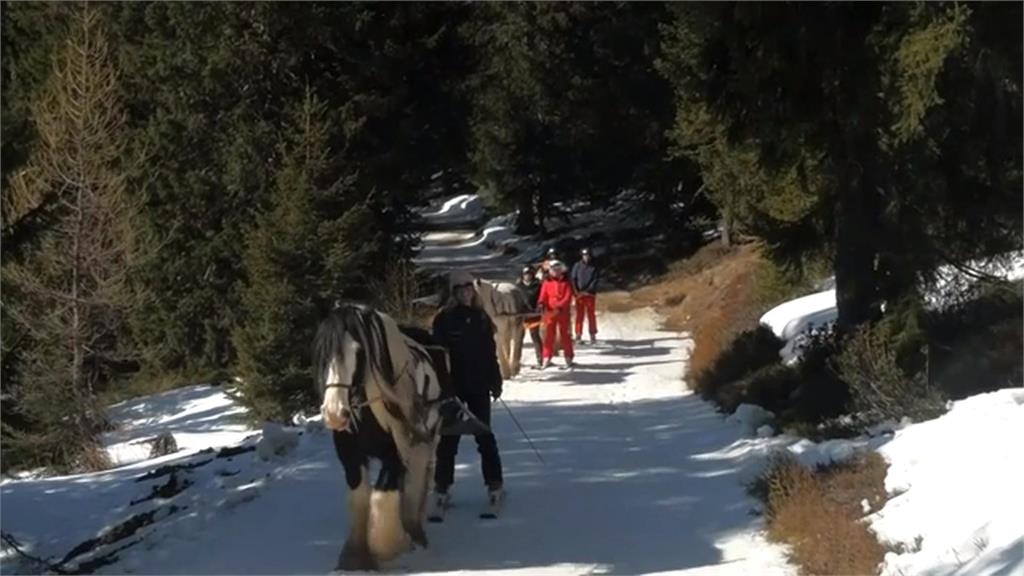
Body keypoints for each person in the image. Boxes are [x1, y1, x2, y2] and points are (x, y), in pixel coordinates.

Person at [431, 270, 504, 507]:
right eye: (460, 290)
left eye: (469, 289)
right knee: (449, 439)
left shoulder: (481, 317)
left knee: (484, 436)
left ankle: (494, 484)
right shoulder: (444, 319)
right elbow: (439, 357)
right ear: (453, 293)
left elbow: (489, 352)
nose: (465, 294)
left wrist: (496, 380)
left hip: (479, 385)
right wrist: (443, 386)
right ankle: (442, 486)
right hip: (454, 389)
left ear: (474, 291)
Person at [537, 260, 574, 368]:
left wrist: (560, 306)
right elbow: (543, 295)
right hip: (549, 312)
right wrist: (541, 303)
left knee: (565, 335)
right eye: (553, 270)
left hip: (563, 312)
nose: (556, 272)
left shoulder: (566, 282)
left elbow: (568, 296)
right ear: (550, 271)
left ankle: (568, 357)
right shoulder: (547, 282)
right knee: (548, 335)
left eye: (558, 270)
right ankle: (546, 357)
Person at [515, 265, 544, 367]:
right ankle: (516, 360)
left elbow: (542, 297)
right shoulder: (518, 286)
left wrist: (540, 306)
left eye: (529, 274)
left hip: (533, 314)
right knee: (519, 338)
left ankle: (540, 358)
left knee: (535, 336)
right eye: (525, 274)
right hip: (521, 315)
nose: (527, 276)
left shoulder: (538, 285)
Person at [571, 247, 600, 343]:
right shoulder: (577, 266)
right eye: (584, 255)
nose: (586, 257)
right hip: (579, 294)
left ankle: (592, 334)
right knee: (579, 314)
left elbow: (595, 280)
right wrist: (576, 291)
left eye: (587, 255)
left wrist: (589, 290)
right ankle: (578, 334)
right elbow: (573, 279)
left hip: (590, 294)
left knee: (591, 314)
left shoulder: (594, 266)